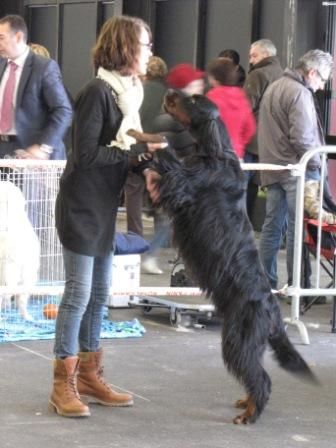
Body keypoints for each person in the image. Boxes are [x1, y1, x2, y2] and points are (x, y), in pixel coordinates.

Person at [49, 15, 166, 418]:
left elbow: (116, 157)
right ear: (125, 47)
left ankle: (88, 376)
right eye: (145, 44)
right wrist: (131, 154)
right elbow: (86, 157)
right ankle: (62, 384)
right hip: (82, 206)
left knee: (100, 296)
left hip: (101, 205)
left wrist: (143, 162)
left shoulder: (127, 94)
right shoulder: (97, 92)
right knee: (79, 294)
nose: (150, 51)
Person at [258, 49, 333, 290]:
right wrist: (316, 164)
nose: (321, 86)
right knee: (296, 230)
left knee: (271, 228)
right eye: (322, 80)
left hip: (273, 168)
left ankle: (265, 284)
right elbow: (302, 138)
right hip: (295, 169)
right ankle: (297, 287)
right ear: (312, 72)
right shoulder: (299, 93)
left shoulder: (275, 86)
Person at [142, 63, 205, 274]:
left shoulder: (176, 115)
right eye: (195, 83)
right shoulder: (176, 119)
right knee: (171, 222)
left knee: (171, 222)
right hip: (176, 179)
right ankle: (153, 256)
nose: (200, 86)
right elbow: (181, 150)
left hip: (175, 178)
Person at [0, 15, 72, 160]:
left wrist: (44, 147)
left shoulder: (44, 67)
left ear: (18, 37)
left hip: (32, 153)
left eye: (1, 38)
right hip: (3, 148)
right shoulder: (2, 65)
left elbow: (63, 110)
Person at [124, 56, 168, 238]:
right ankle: (161, 237)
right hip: (161, 148)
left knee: (133, 192)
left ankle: (135, 235)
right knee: (159, 193)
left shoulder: (136, 92)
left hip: (138, 147)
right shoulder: (169, 93)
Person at [243, 39, 283, 219]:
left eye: (254, 55)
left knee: (243, 184)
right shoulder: (282, 74)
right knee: (270, 189)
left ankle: (241, 226)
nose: (251, 60)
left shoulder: (257, 75)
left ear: (266, 55)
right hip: (273, 141)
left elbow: (246, 106)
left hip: (252, 140)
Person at [206, 57, 256, 161]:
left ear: (214, 78)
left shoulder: (210, 98)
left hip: (214, 156)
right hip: (236, 155)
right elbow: (250, 128)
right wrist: (238, 143)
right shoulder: (241, 97)